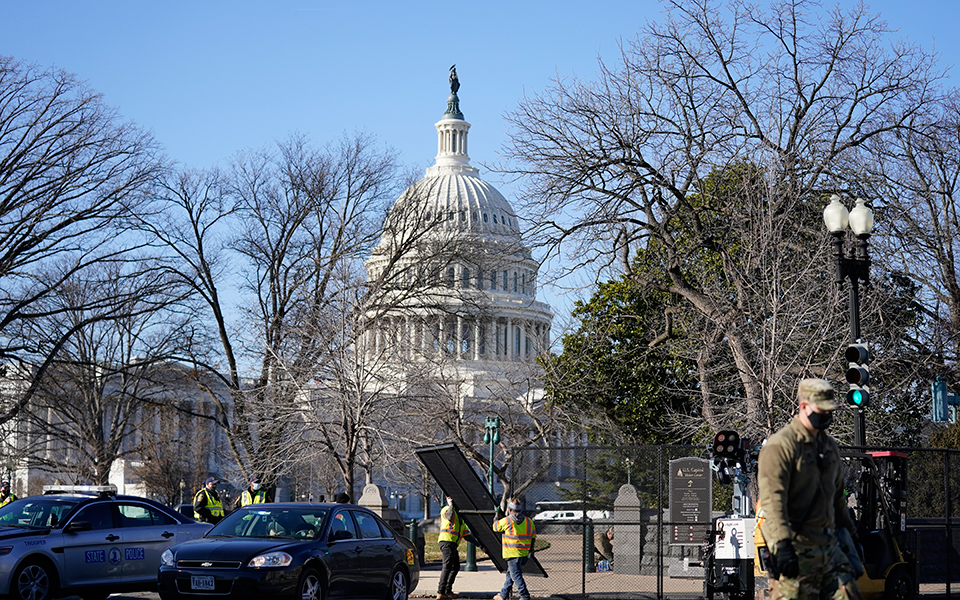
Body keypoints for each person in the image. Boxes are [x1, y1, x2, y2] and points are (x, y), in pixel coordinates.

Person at [757, 378, 862, 600]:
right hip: (796, 547)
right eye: (821, 409)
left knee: (850, 595)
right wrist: (783, 544)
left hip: (828, 546)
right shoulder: (781, 446)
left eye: (829, 410)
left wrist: (852, 536)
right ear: (803, 406)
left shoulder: (830, 448)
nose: (826, 415)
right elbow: (772, 500)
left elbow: (837, 500)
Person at [492, 498, 536, 600]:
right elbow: (533, 537)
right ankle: (503, 594)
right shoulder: (529, 521)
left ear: (510, 509)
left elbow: (495, 527)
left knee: (516, 575)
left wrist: (497, 515)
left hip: (511, 553)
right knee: (510, 574)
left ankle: (525, 596)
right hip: (524, 553)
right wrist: (530, 551)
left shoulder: (507, 521)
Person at [437, 495, 476, 600]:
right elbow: (449, 517)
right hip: (446, 541)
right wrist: (450, 505)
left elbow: (467, 535)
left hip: (452, 544)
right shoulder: (446, 510)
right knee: (447, 567)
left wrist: (481, 545)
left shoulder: (460, 519)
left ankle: (447, 591)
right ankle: (440, 593)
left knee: (455, 567)